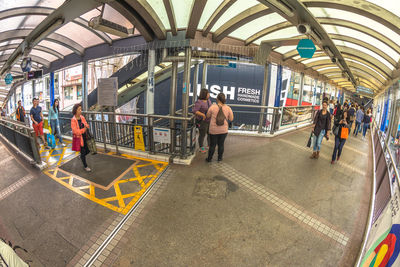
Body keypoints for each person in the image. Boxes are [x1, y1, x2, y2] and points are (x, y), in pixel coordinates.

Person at [205, 93, 234, 162]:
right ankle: (219, 158)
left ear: (217, 99)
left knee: (212, 145)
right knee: (221, 144)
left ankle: (209, 159)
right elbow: (231, 119)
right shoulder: (228, 108)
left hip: (213, 130)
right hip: (223, 130)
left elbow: (208, 116)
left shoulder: (212, 107)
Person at [71, 104, 91, 171]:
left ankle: (81, 156)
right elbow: (76, 131)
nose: (80, 111)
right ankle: (85, 166)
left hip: (85, 137)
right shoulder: (73, 120)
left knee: (88, 151)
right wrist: (83, 130)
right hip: (79, 139)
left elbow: (86, 124)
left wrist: (86, 126)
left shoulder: (82, 117)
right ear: (75, 110)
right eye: (79, 109)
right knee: (83, 152)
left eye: (81, 109)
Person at [193, 89, 212, 153]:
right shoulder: (199, 102)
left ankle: (209, 145)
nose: (209, 95)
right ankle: (201, 147)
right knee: (202, 134)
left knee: (210, 133)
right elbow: (195, 110)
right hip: (202, 121)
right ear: (204, 94)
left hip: (209, 120)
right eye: (208, 94)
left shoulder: (208, 100)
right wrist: (203, 115)